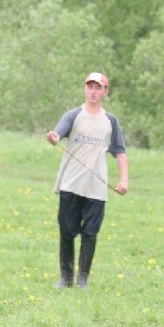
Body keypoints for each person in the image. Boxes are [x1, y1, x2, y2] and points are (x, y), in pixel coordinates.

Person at [46, 72, 128, 289]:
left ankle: (83, 279)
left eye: (98, 87)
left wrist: (124, 179)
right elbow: (59, 132)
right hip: (71, 184)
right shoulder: (73, 115)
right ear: (85, 89)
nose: (93, 91)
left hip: (97, 187)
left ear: (105, 91)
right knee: (66, 230)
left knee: (90, 233)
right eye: (90, 86)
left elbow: (120, 151)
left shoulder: (110, 121)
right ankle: (65, 278)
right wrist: (54, 136)